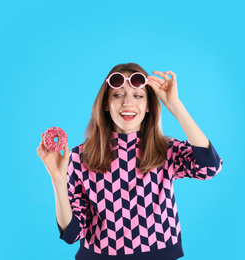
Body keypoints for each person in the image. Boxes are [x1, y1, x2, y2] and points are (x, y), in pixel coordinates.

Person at [37, 63, 223, 260]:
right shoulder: (79, 157)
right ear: (106, 104)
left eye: (138, 95)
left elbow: (209, 167)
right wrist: (57, 179)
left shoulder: (166, 149)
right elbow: (72, 234)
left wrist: (175, 105)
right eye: (118, 95)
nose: (127, 102)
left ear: (149, 104)